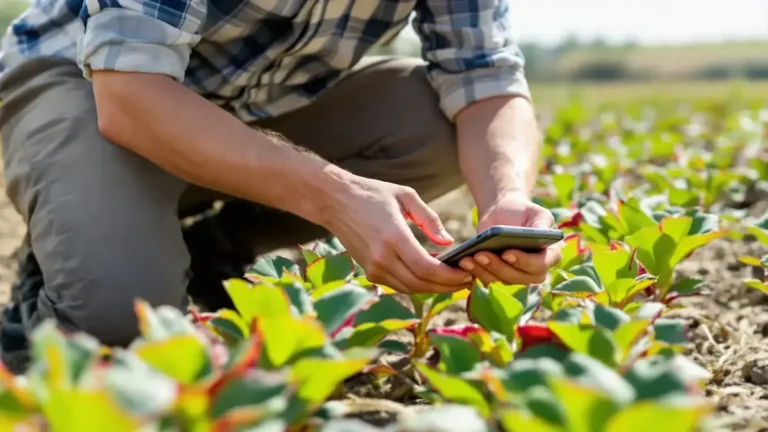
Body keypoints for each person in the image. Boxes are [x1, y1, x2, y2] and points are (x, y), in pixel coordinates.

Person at [0, 0, 561, 373]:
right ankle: (67, 254)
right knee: (122, 327)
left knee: (430, 122)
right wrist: (337, 195)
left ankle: (206, 251)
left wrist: (505, 199)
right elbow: (129, 96)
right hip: (86, 86)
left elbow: (486, 78)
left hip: (259, 106)